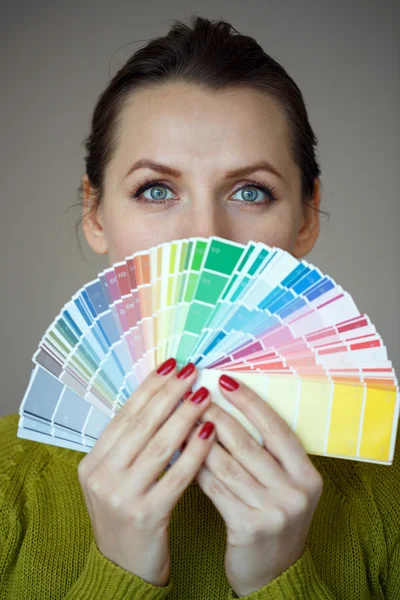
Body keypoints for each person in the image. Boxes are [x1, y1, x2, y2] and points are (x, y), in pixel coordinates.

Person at [0, 15, 399, 600]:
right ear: (95, 212)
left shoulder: (385, 492)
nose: (207, 239)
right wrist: (118, 573)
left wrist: (279, 580)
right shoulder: (9, 487)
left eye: (250, 191)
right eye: (156, 190)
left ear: (306, 216)